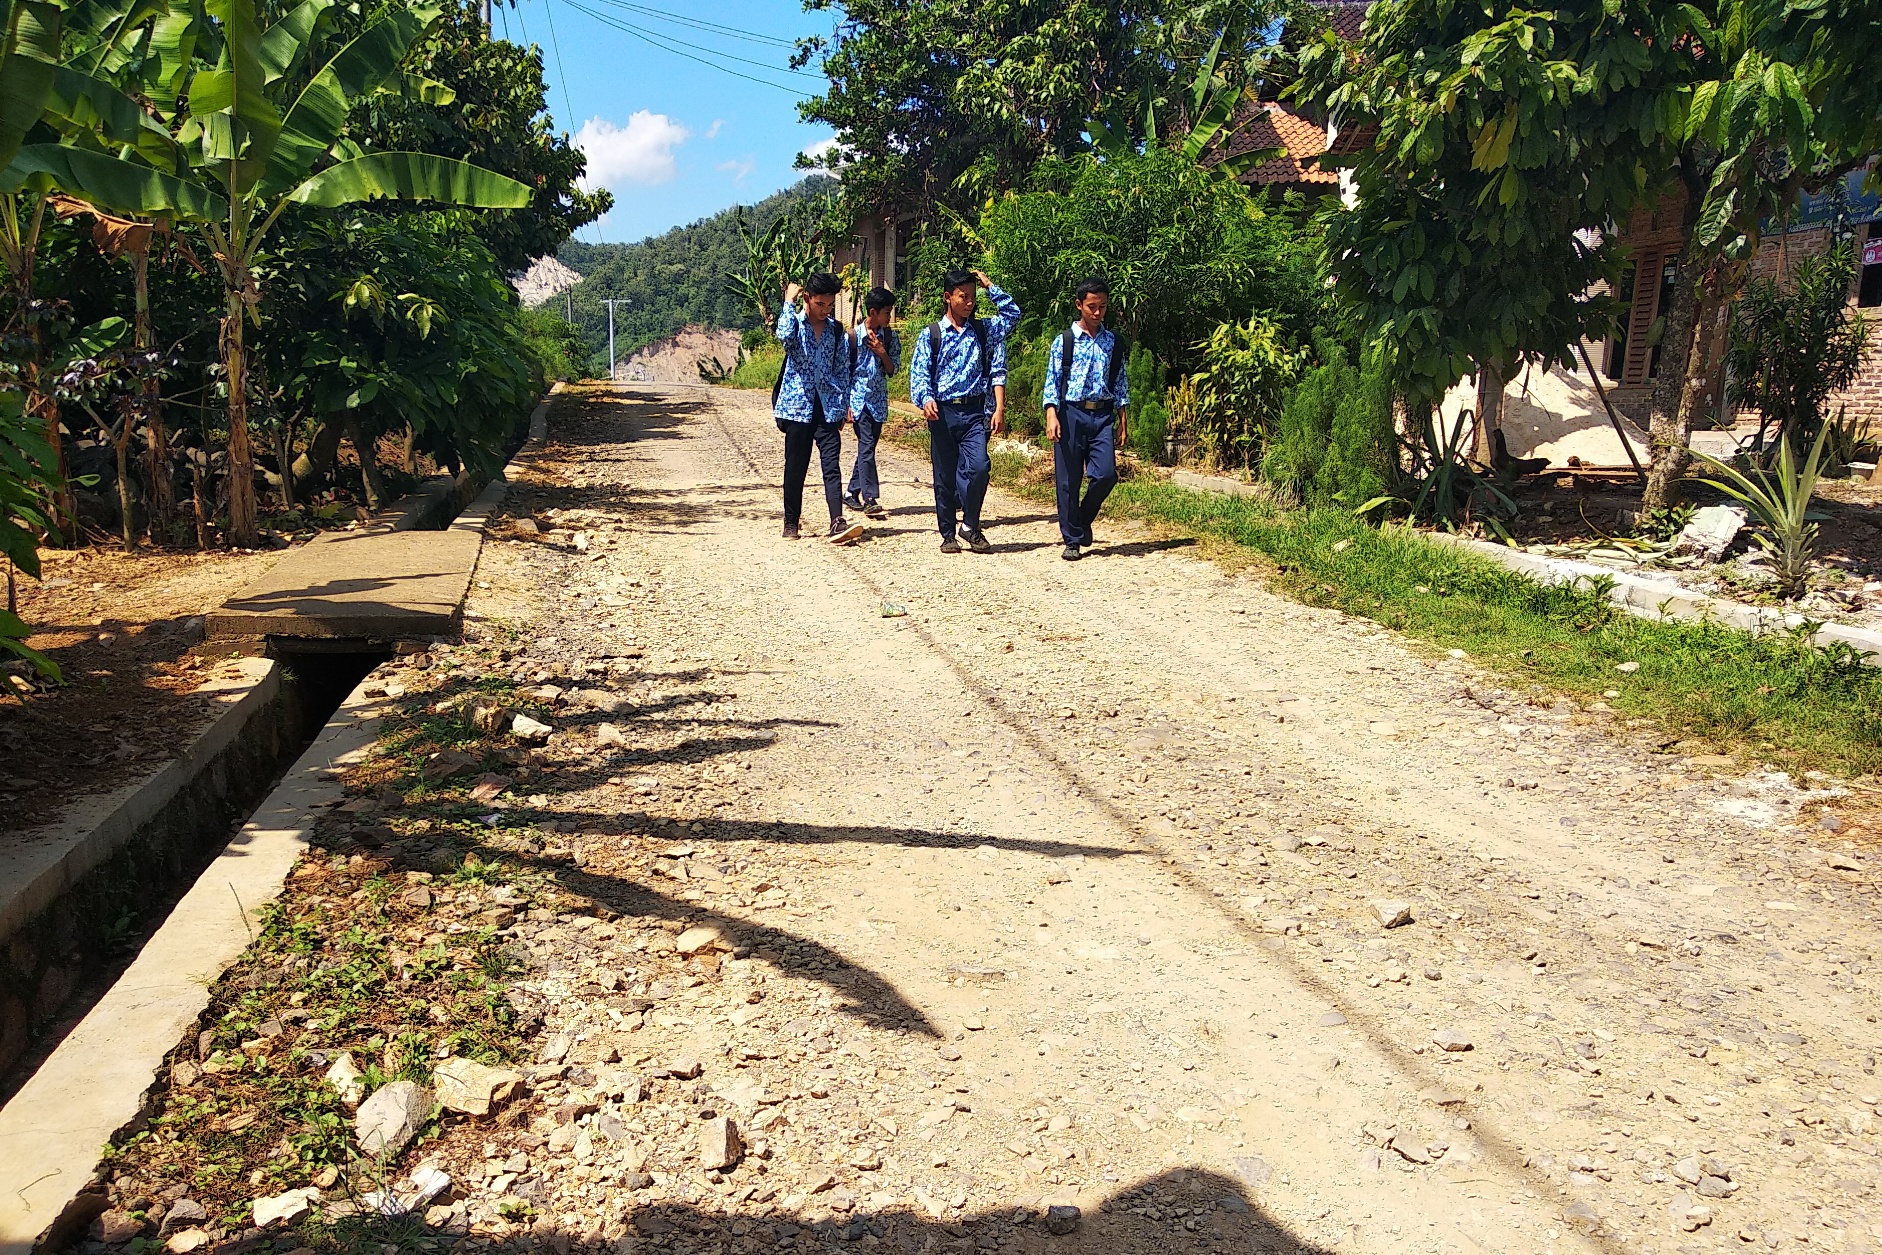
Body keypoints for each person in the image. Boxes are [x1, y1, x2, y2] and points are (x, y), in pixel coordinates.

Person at [906, 268, 1020, 554]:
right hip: (943, 413)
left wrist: (990, 287)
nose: (970, 303)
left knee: (980, 467)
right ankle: (947, 533)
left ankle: (970, 524)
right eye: (963, 297)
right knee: (945, 476)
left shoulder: (982, 330)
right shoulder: (931, 334)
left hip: (974, 412)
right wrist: (926, 399)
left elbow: (1012, 315)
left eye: (972, 297)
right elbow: (919, 374)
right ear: (948, 298)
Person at [1041, 276, 1129, 561]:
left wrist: (1122, 418)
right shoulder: (1065, 341)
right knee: (1068, 480)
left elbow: (1120, 381)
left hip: (1102, 415)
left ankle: (1081, 519)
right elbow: (1052, 380)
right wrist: (1051, 414)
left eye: (1102, 306)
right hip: (1070, 413)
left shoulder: (1112, 342)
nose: (1097, 312)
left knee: (1105, 475)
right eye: (1092, 306)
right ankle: (1073, 539)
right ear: (1079, 305)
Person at [774, 273, 861, 544]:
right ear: (808, 299)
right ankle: (791, 521)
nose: (825, 310)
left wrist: (845, 406)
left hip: (827, 408)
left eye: (830, 306)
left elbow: (843, 371)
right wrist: (789, 301)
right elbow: (783, 335)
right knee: (796, 467)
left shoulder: (836, 331)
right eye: (820, 304)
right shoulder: (796, 326)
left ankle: (837, 521)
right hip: (797, 408)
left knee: (831, 465)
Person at [843, 287, 900, 520]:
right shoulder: (852, 338)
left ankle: (850, 492)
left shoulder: (889, 337)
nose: (889, 318)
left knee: (868, 448)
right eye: (887, 313)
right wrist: (844, 405)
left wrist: (881, 352)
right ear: (873, 312)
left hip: (878, 403)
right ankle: (870, 498)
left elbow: (892, 370)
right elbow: (842, 372)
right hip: (858, 402)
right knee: (866, 446)